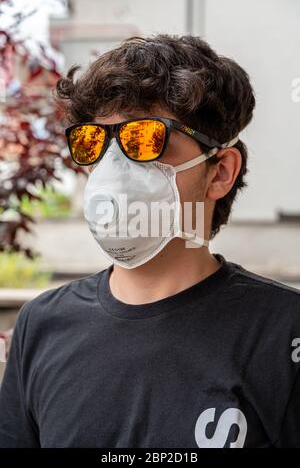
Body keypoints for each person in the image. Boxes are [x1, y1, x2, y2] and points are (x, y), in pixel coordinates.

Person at [0, 34, 300, 448]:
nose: (112, 167)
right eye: (93, 141)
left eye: (143, 139)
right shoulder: (41, 326)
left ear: (220, 172)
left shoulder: (284, 333)